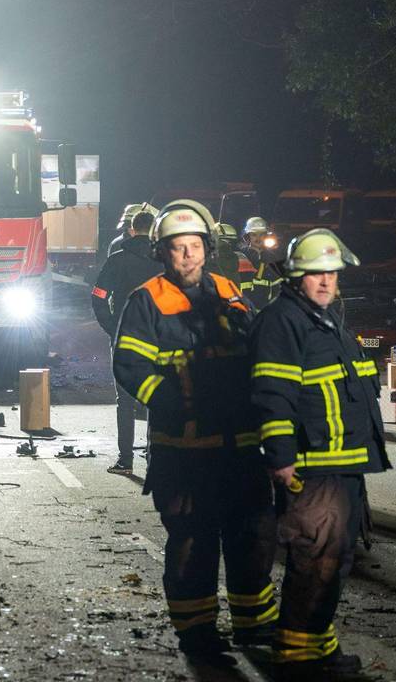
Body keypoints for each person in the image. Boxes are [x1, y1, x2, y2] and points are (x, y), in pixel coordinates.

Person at [113, 199, 277, 665]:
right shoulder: (146, 300)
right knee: (192, 542)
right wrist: (175, 403)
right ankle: (198, 634)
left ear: (207, 248)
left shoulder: (229, 291)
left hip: (240, 446)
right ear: (162, 252)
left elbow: (255, 350)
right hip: (183, 451)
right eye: (177, 247)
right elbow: (129, 365)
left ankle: (254, 625)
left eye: (195, 246)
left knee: (253, 536)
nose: (187, 255)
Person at [250, 228, 389, 679]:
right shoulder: (283, 321)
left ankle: (314, 647)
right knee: (316, 559)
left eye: (332, 273)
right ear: (296, 276)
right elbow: (273, 392)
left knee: (332, 560)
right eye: (315, 273)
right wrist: (282, 456)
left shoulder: (324, 318)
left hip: (341, 461)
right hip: (312, 465)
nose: (326, 281)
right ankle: (297, 657)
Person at [90, 210, 161, 474]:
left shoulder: (117, 260)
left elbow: (98, 296)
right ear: (154, 232)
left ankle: (126, 461)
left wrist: (112, 328)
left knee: (126, 401)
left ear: (131, 230)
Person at [239, 217, 282, 309]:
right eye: (254, 234)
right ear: (248, 236)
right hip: (245, 307)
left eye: (261, 234)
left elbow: (278, 285)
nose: (258, 238)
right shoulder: (241, 256)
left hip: (266, 308)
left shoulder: (272, 257)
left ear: (266, 235)